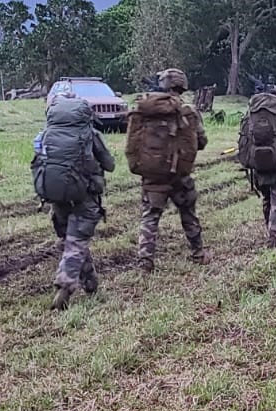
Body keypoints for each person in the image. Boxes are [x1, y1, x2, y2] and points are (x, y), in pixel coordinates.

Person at [33, 93, 115, 308]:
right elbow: (109, 164)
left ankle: (90, 281)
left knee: (73, 240)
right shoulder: (90, 134)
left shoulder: (46, 134)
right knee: (77, 242)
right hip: (85, 196)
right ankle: (65, 286)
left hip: (56, 197)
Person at [131, 69, 207, 272]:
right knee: (188, 213)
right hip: (179, 175)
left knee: (150, 216)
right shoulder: (188, 110)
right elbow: (201, 141)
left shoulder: (145, 108)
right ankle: (198, 253)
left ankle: (145, 261)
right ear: (182, 86)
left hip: (153, 174)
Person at [237, 89, 276, 247]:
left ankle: (269, 227)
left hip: (258, 163)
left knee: (266, 197)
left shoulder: (250, 115)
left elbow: (243, 139)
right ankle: (274, 234)